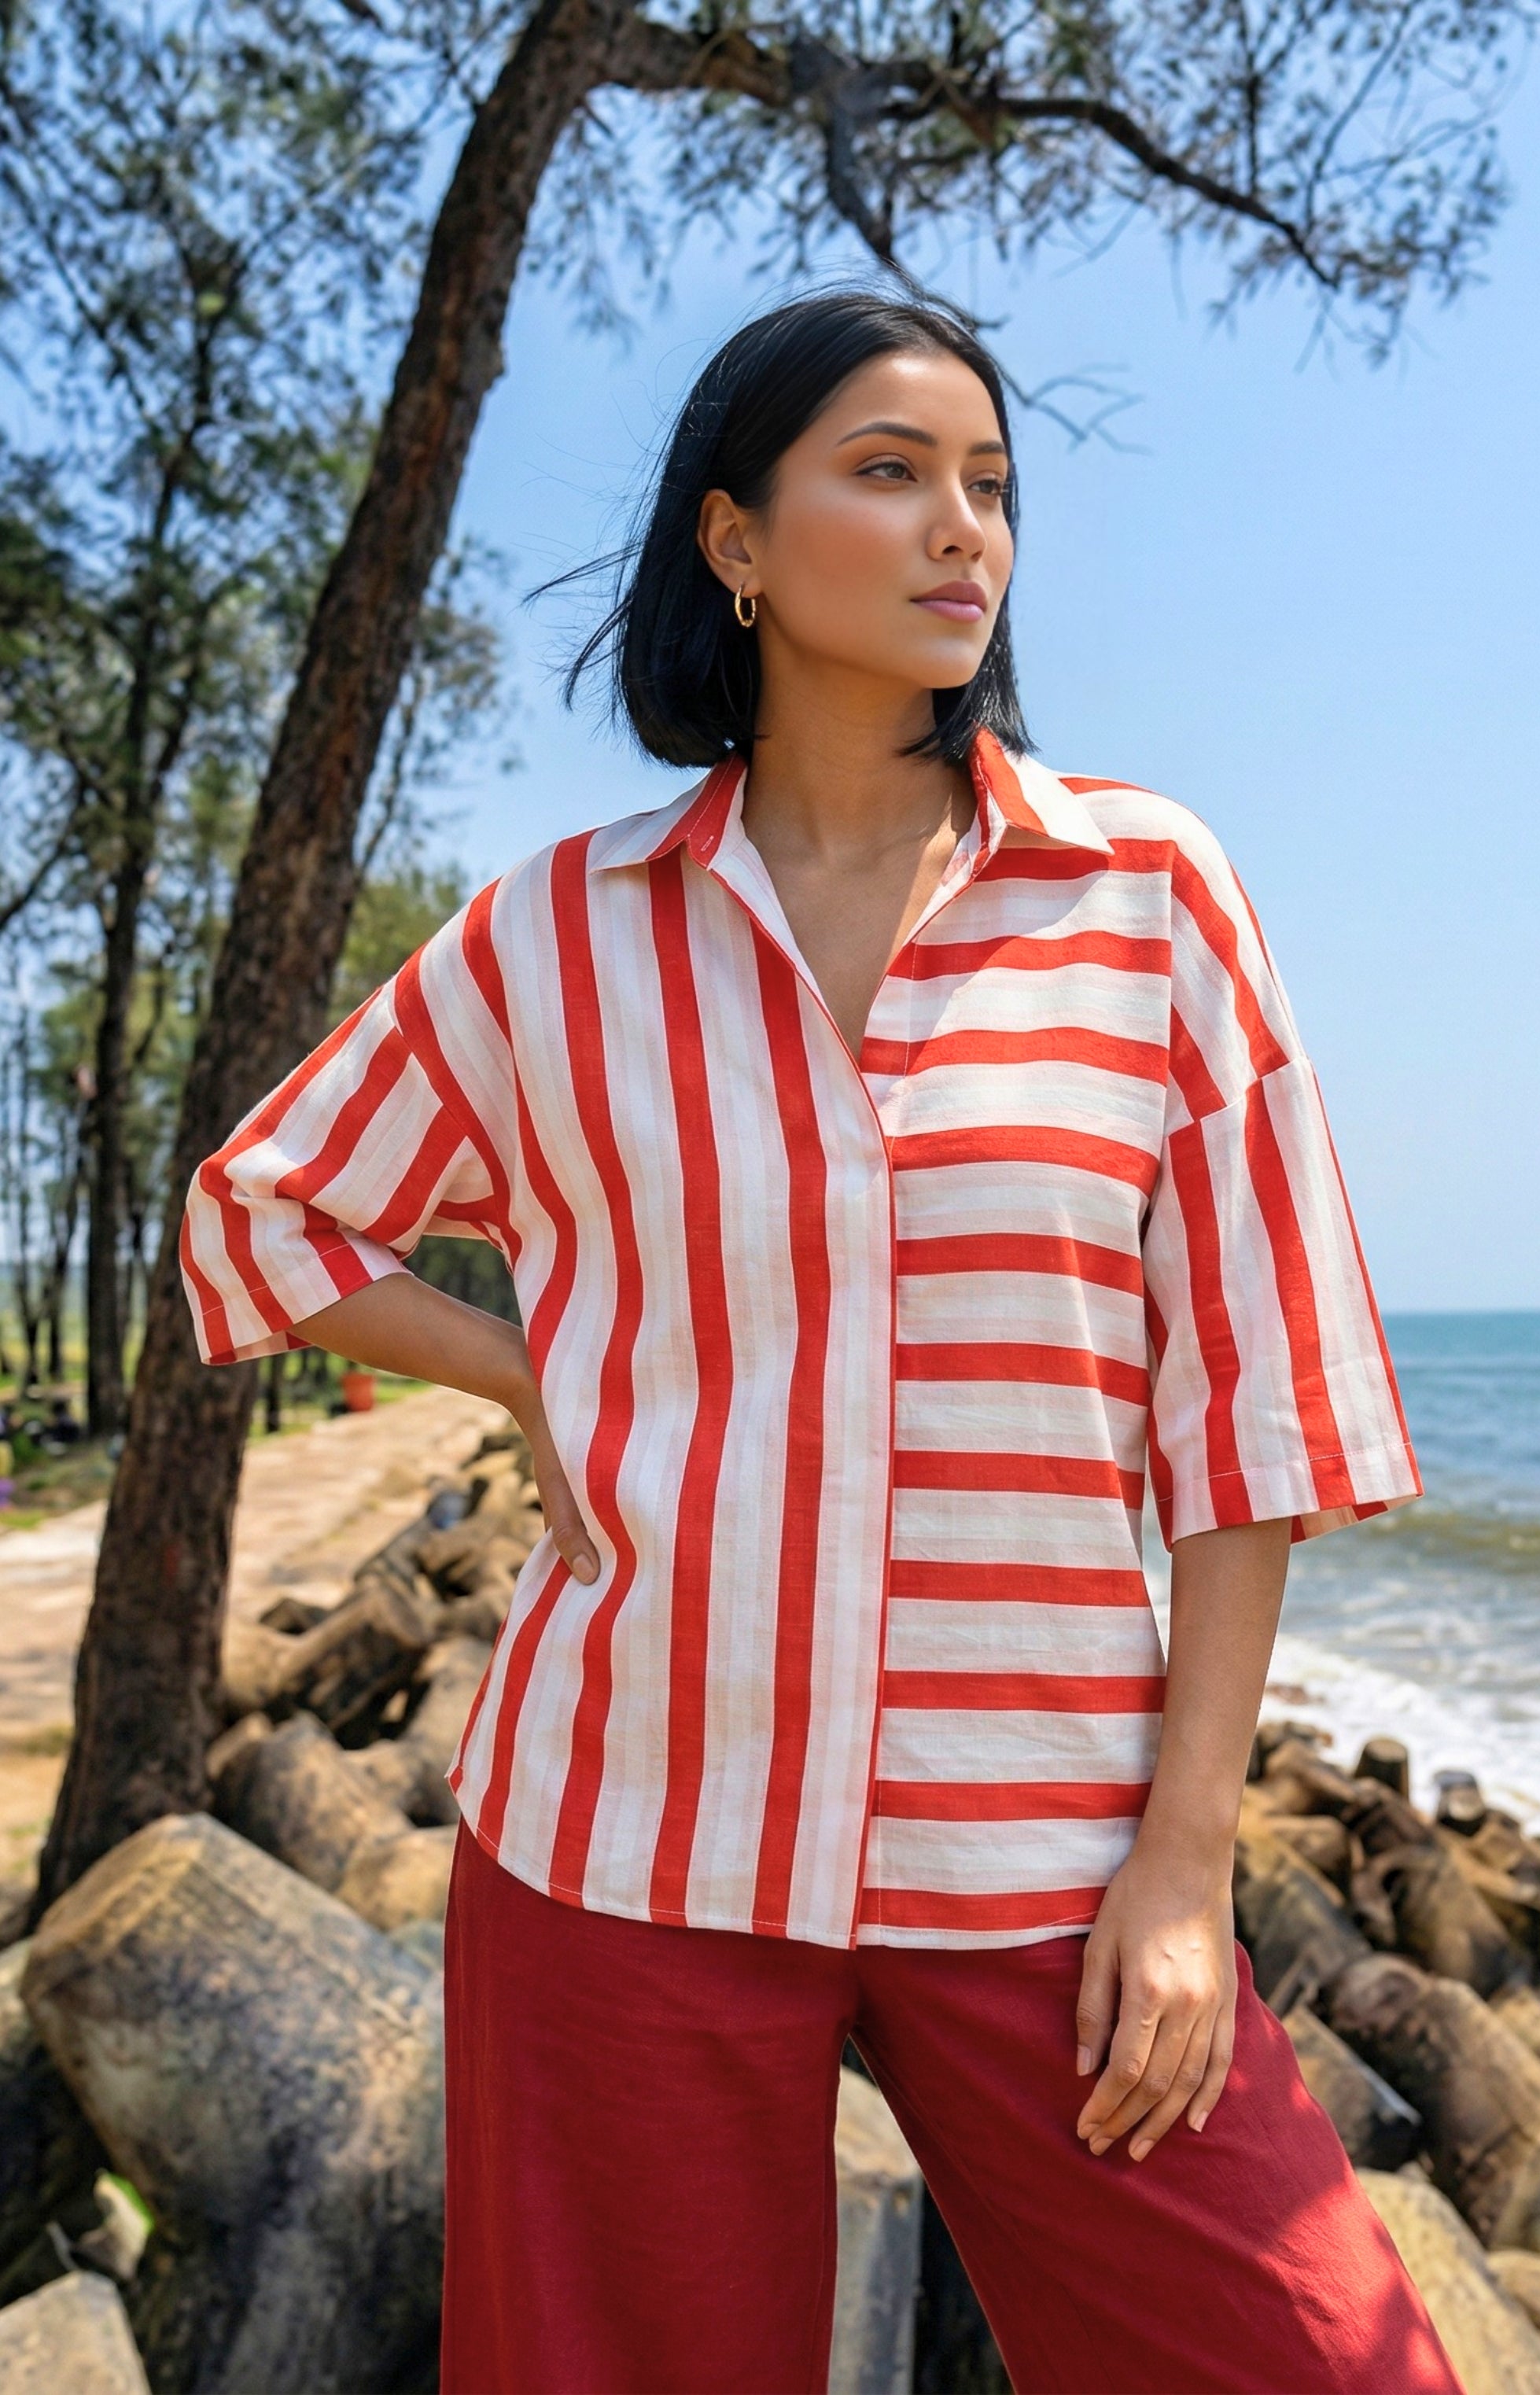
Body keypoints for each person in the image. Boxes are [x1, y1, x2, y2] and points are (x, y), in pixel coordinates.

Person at [179, 288, 1461, 2395]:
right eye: (890, 473)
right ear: (738, 545)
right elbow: (261, 1210)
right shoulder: (556, 941)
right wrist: (532, 1369)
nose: (965, 530)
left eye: (992, 486)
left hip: (1046, 1845)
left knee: (1318, 2359)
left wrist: (1183, 1859)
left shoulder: (1149, 898)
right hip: (630, 1843)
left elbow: (1254, 1397)